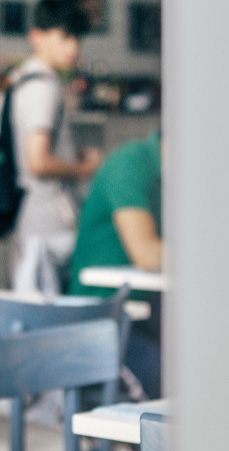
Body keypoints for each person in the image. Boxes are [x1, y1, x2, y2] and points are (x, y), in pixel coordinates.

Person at [7, 0, 101, 297]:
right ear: (37, 37)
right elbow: (38, 161)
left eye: (77, 38)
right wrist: (83, 168)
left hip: (32, 221)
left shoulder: (21, 80)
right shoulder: (43, 86)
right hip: (46, 223)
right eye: (64, 37)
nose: (73, 47)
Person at [67, 131, 162, 400]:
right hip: (102, 317)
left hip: (147, 310)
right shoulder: (129, 164)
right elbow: (147, 253)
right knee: (169, 375)